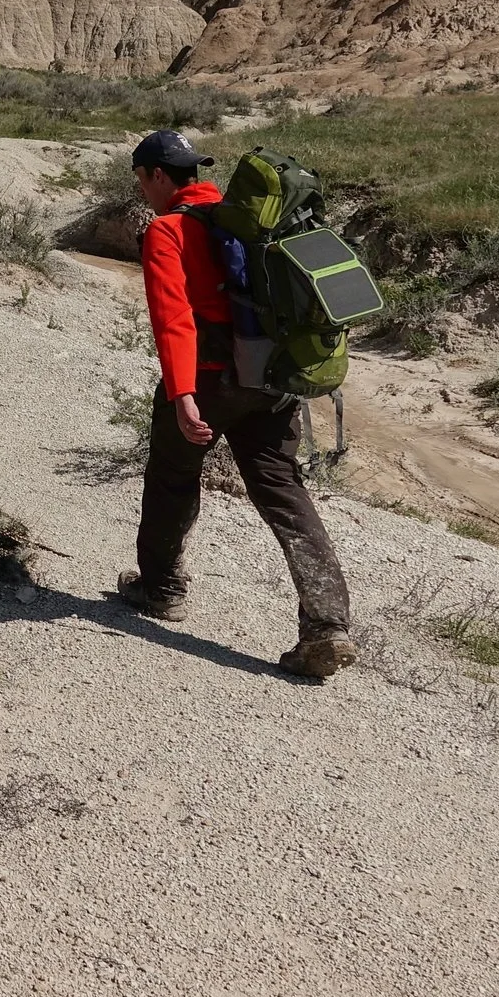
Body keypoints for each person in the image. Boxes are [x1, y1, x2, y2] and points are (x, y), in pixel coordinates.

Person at [116, 129, 357, 680]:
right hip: (271, 380)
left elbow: (173, 319)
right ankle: (327, 624)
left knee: (173, 475)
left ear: (156, 176)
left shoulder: (168, 231)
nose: (143, 189)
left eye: (142, 179)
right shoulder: (248, 224)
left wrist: (181, 395)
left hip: (207, 381)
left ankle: (160, 588)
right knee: (281, 489)